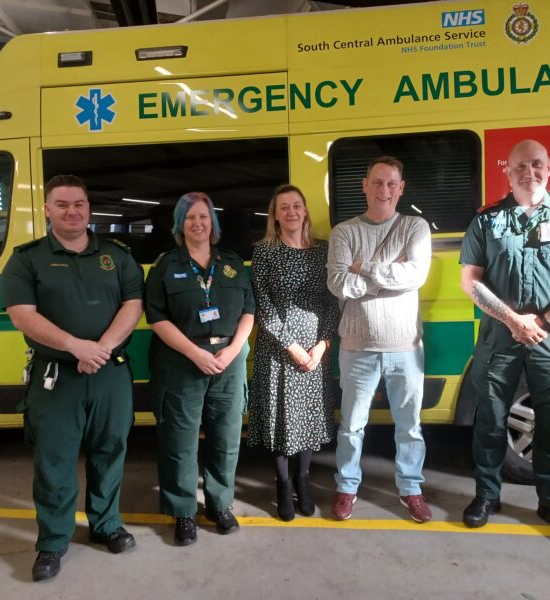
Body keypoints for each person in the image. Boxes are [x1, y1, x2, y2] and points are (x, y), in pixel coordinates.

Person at [459, 139, 550, 543]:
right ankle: (487, 496)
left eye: (537, 164)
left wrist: (542, 321)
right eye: (521, 166)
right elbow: (470, 282)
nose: (530, 172)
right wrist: (512, 319)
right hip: (498, 339)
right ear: (506, 170)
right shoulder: (487, 220)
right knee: (489, 421)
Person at [0, 175, 144, 582]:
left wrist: (99, 349)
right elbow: (22, 315)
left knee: (110, 450)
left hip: (109, 372)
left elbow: (133, 304)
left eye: (79, 203)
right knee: (54, 460)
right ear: (47, 210)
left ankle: (105, 524)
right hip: (55, 376)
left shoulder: (116, 256)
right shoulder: (27, 259)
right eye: (62, 204)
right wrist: (75, 346)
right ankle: (53, 541)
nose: (72, 211)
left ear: (88, 209)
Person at [144, 191, 255, 546]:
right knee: (180, 441)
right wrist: (196, 353)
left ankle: (220, 505)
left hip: (228, 362)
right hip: (181, 363)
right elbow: (156, 318)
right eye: (190, 218)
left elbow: (249, 312)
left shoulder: (233, 263)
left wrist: (233, 351)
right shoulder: (166, 265)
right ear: (180, 225)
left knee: (225, 439)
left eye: (203, 217)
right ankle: (183, 512)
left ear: (213, 222)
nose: (197, 223)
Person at [326, 156, 432, 523]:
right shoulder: (344, 232)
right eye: (377, 182)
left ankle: (411, 489)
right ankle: (347, 486)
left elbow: (415, 275)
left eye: (391, 183)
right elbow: (338, 283)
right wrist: (389, 273)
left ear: (401, 188)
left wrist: (364, 268)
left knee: (410, 426)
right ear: (364, 185)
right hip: (357, 348)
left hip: (406, 347)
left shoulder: (415, 227)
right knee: (352, 426)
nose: (384, 190)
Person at [248, 184, 340, 521]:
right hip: (278, 347)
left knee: (310, 419)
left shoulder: (323, 250)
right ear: (274, 215)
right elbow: (264, 306)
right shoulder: (265, 252)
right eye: (283, 207)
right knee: (281, 419)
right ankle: (283, 485)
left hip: (315, 348)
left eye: (296, 205)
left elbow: (333, 302)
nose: (291, 212)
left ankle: (304, 482)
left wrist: (322, 344)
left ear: (305, 210)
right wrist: (292, 346)